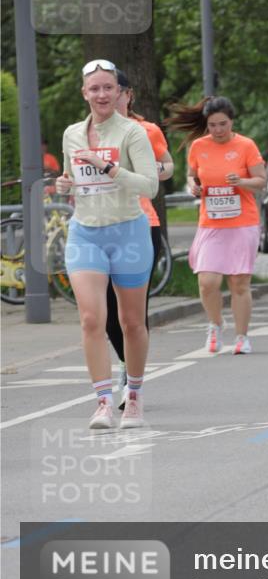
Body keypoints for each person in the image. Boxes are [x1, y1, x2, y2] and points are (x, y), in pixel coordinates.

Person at [55, 60, 158, 429]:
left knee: (130, 322)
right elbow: (72, 177)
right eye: (94, 89)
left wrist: (109, 168)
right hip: (86, 233)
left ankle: (134, 395)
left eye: (107, 88)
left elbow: (151, 186)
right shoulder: (72, 134)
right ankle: (102, 401)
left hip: (128, 232)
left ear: (119, 93)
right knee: (90, 318)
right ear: (84, 93)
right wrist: (66, 184)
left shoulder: (131, 133)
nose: (101, 95)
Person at [167, 96, 266, 354]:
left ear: (232, 121)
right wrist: (193, 186)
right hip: (211, 222)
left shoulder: (246, 145)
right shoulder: (199, 146)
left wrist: (242, 182)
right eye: (212, 125)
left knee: (239, 283)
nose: (218, 130)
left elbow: (261, 181)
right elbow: (191, 175)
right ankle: (215, 324)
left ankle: (242, 337)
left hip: (242, 222)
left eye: (223, 124)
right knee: (207, 281)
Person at [106, 70, 174, 409]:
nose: (108, 96)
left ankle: (132, 381)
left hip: (141, 224)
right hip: (100, 226)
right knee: (106, 314)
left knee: (132, 311)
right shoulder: (88, 133)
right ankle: (125, 364)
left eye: (114, 90)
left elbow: (168, 166)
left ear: (128, 94)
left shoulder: (147, 130)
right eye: (100, 89)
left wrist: (148, 172)